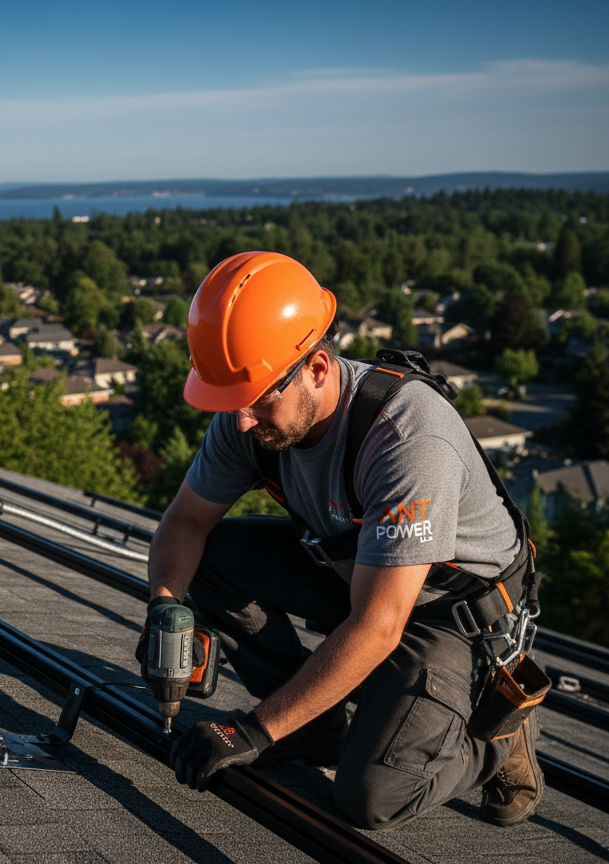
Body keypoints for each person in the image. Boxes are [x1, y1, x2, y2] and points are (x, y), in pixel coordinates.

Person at [147, 251, 542, 830]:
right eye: (233, 400)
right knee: (211, 562)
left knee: (371, 797)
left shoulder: (406, 436)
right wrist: (164, 608)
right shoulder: (247, 411)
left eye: (260, 398)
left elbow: (380, 624)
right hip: (359, 573)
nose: (244, 419)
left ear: (317, 366)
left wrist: (254, 730)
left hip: (449, 616)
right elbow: (185, 522)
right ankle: (312, 727)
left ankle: (497, 737)